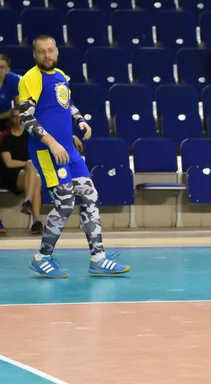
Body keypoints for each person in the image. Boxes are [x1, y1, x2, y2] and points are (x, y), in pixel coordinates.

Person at [18, 34, 130, 278]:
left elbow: (66, 104)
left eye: (50, 50)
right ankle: (42, 257)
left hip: (67, 149)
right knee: (66, 203)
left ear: (56, 51)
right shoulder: (30, 79)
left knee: (90, 195)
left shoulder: (60, 76)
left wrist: (79, 121)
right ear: (35, 54)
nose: (47, 55)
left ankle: (98, 258)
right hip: (46, 151)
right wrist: (52, 143)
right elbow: (26, 118)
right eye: (41, 52)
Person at [0, 108, 43, 234]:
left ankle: (30, 205)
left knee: (36, 177)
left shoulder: (30, 136)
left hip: (29, 174)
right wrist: (26, 164)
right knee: (32, 169)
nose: (17, 120)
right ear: (11, 119)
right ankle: (36, 220)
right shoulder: (5, 137)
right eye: (14, 117)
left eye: (20, 117)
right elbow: (8, 163)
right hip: (11, 175)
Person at [0, 54, 21, 234]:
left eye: (1, 67)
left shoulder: (13, 80)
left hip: (7, 123)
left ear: (7, 69)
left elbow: (19, 109)